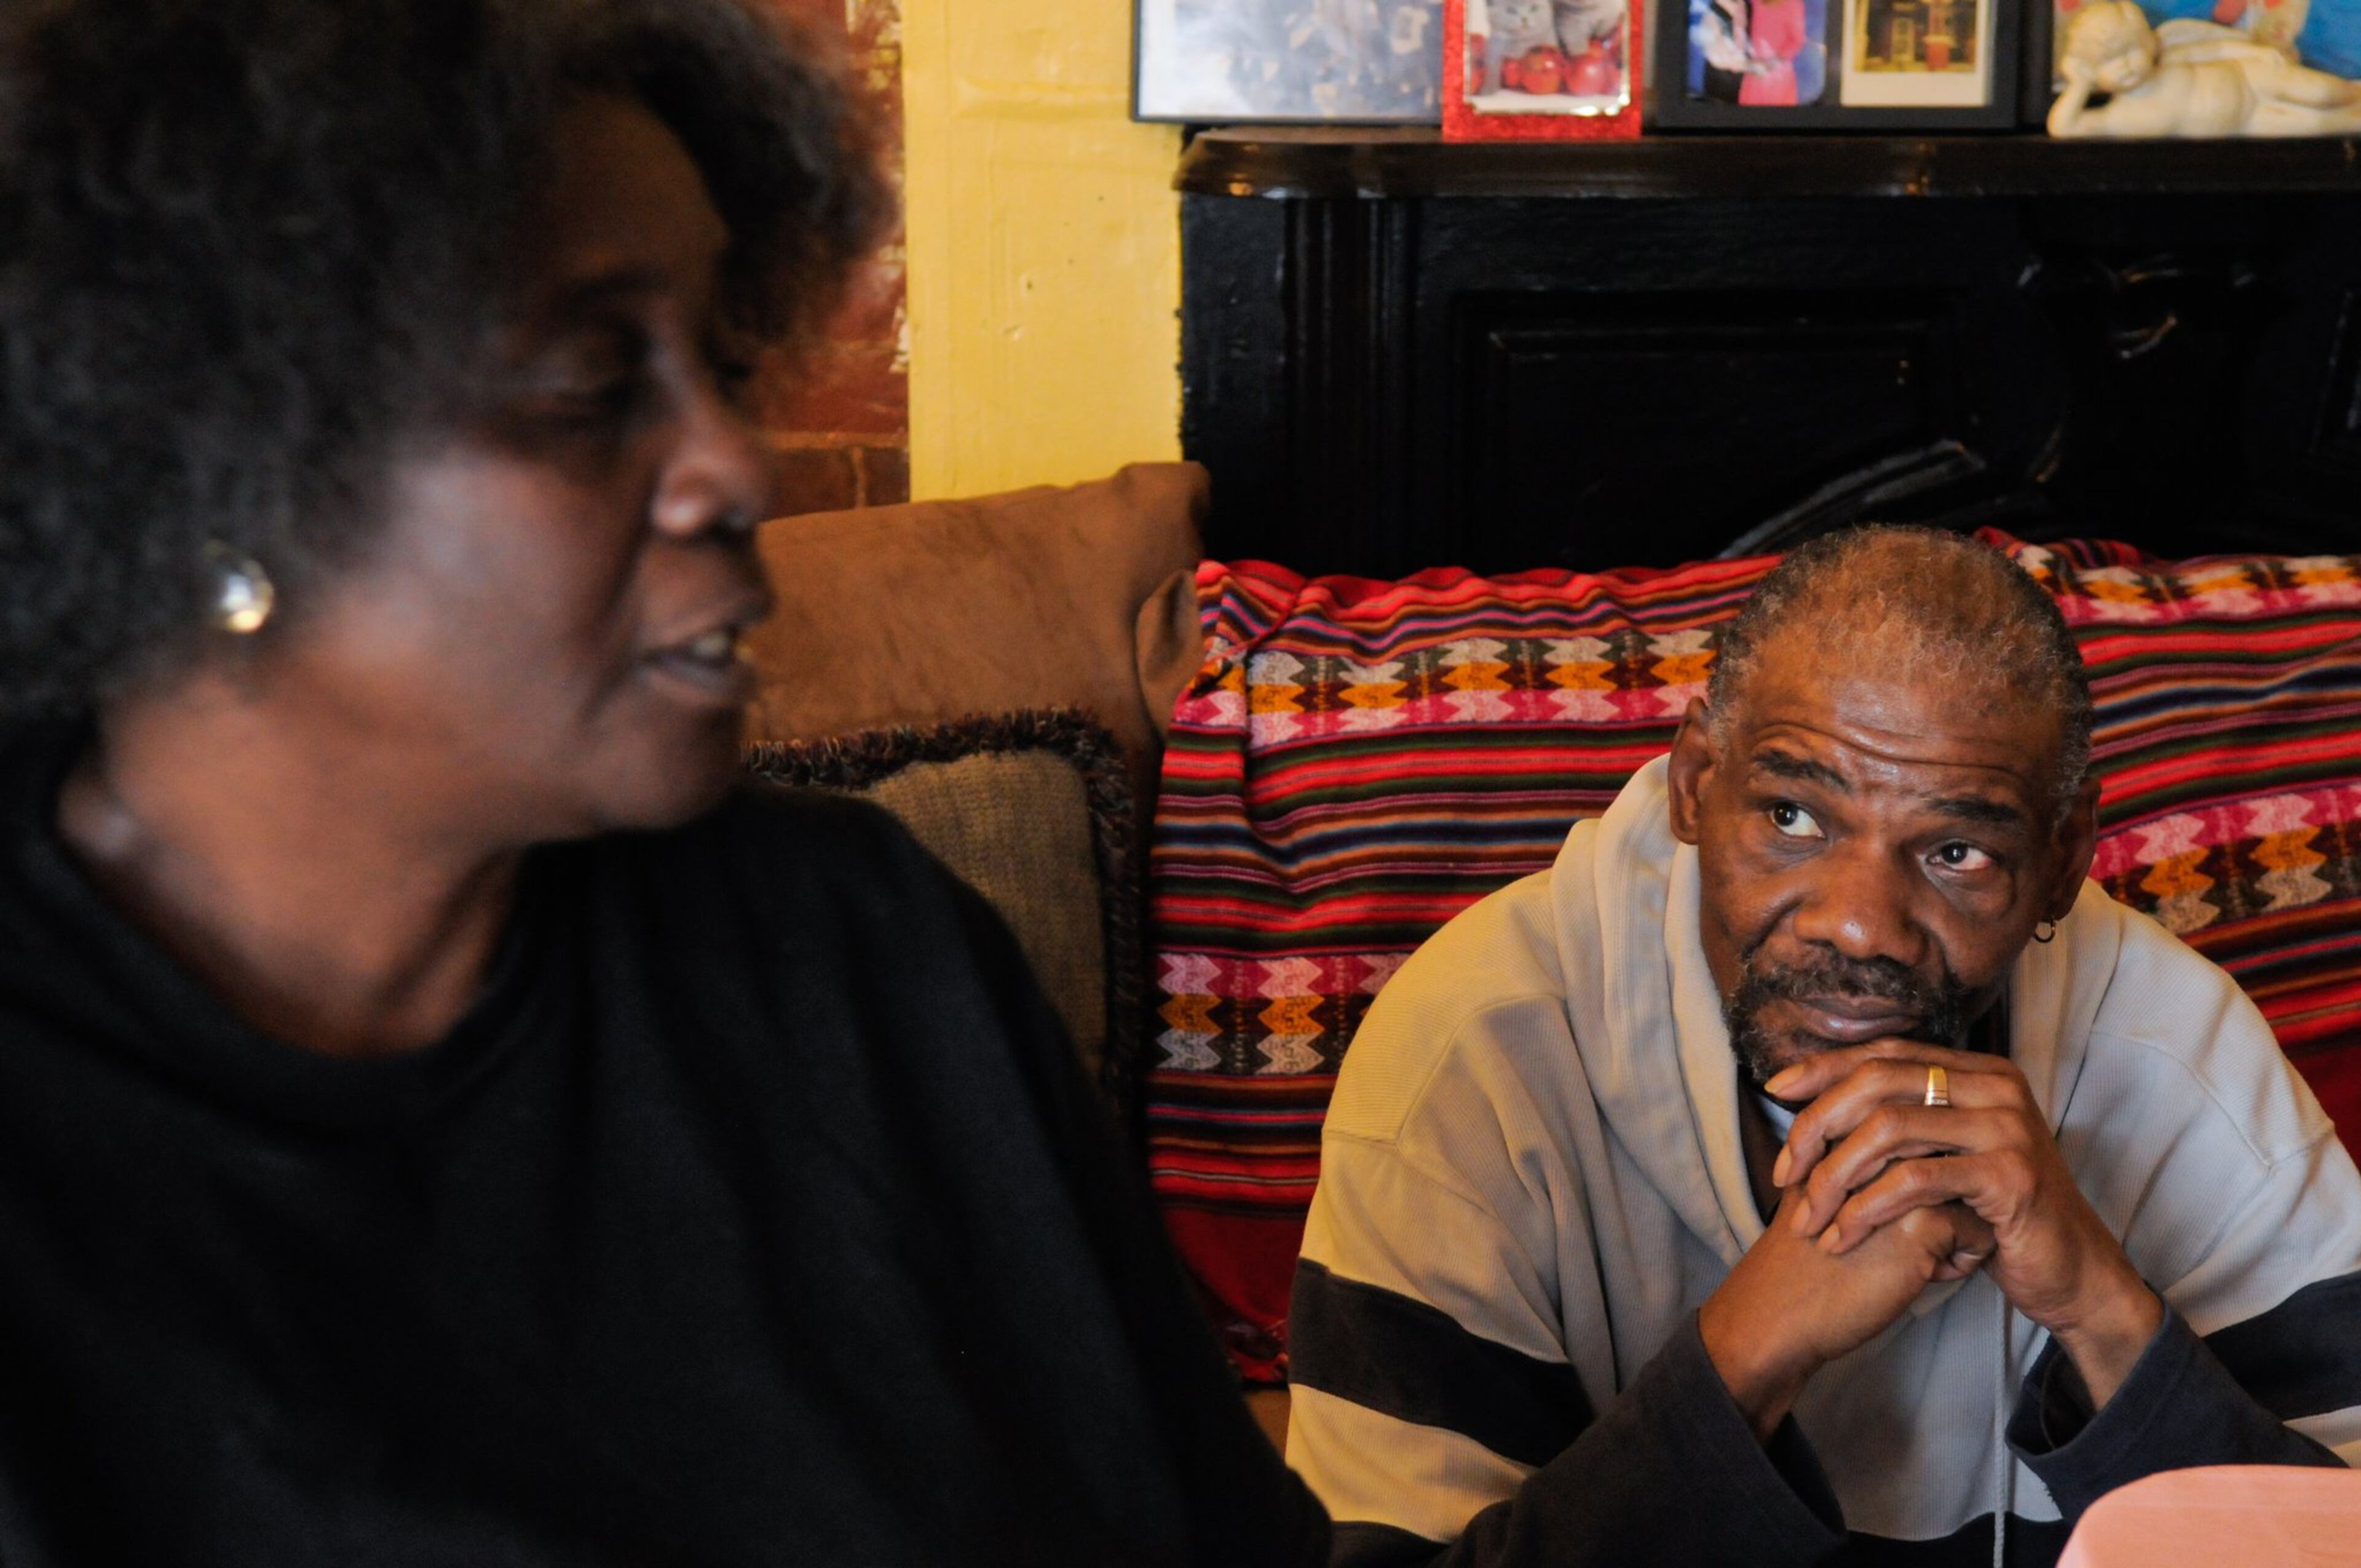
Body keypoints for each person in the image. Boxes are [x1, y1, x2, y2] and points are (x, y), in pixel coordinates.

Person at [0, 2, 1328, 1563]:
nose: (734, 468)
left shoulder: (863, 952)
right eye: (585, 384)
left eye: (716, 358)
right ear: (212, 458)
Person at [1284, 527, 2361, 1566]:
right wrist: (1745, 1355)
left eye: (1953, 851)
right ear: (1697, 782)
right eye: (1795, 816)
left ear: (2064, 858)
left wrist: (2097, 1305)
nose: (1861, 924)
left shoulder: (2180, 1055)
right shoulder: (1473, 1056)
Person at [2047, 0, 2361, 137]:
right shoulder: (2119, 117)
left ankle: (2352, 91)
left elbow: (2215, 47)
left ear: (2149, 43)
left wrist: (2256, 52)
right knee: (2323, 125)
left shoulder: (2168, 56)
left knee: (2326, 92)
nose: (2126, 65)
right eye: (2108, 62)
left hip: (2249, 80)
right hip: (2249, 121)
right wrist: (2078, 85)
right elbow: (2064, 128)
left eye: (2132, 51)